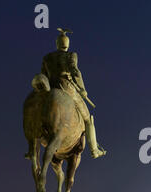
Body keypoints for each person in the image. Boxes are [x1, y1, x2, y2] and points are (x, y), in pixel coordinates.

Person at [41, 28, 106, 158]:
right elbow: (75, 71)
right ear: (67, 44)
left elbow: (43, 75)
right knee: (87, 119)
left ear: (57, 44)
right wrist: (82, 89)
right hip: (67, 89)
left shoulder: (47, 58)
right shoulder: (71, 55)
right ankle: (94, 150)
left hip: (49, 88)